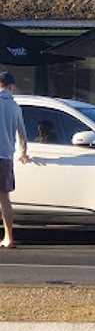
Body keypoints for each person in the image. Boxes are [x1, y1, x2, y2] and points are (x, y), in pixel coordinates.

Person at [0, 71, 29, 249]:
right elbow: (23, 135)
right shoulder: (16, 107)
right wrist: (23, 153)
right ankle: (9, 237)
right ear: (11, 86)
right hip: (5, 158)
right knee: (4, 199)